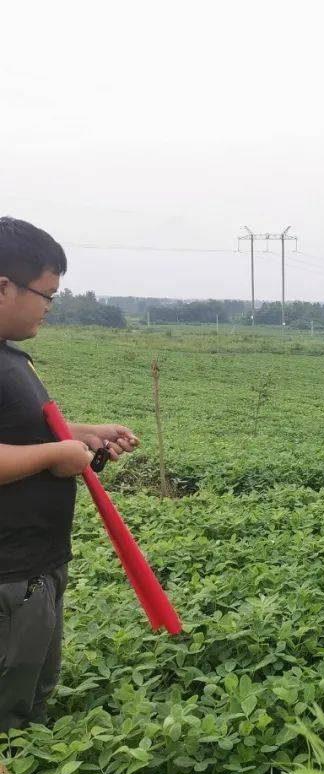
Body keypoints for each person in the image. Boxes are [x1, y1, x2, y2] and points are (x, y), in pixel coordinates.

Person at [0, 216, 139, 733]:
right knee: (9, 714)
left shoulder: (11, 358)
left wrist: (81, 435)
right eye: (47, 294)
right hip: (9, 574)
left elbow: (21, 431)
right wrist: (52, 457)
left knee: (31, 700)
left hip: (33, 565)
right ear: (3, 286)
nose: (49, 309)